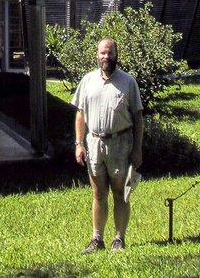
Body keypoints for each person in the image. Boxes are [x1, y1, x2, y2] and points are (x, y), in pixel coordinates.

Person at [72, 37, 144, 254]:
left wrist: (137, 148)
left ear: (116, 55)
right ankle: (97, 239)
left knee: (120, 192)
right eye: (102, 53)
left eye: (110, 53)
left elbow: (139, 118)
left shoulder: (128, 82)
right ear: (97, 55)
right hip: (94, 143)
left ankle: (119, 239)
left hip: (120, 144)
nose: (106, 57)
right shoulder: (88, 81)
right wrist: (79, 143)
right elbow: (80, 114)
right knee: (98, 194)